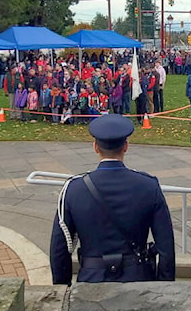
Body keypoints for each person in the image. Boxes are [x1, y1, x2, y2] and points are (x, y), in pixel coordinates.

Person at [49, 115, 175, 285]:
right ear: (126, 147)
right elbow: (166, 247)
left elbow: (60, 248)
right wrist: (164, 287)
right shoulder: (148, 186)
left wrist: (62, 289)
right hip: (138, 280)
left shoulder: (73, 189)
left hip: (91, 281)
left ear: (95, 147)